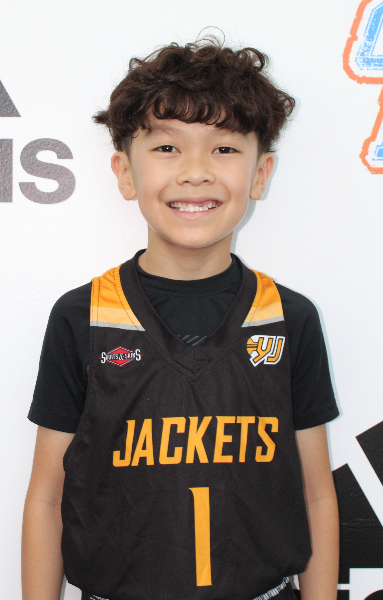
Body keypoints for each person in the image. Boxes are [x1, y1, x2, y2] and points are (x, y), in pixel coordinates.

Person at [22, 35, 340, 600]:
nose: (196, 172)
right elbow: (48, 497)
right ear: (125, 172)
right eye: (167, 147)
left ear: (261, 173)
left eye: (225, 148)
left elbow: (315, 495)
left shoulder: (289, 319)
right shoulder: (82, 317)